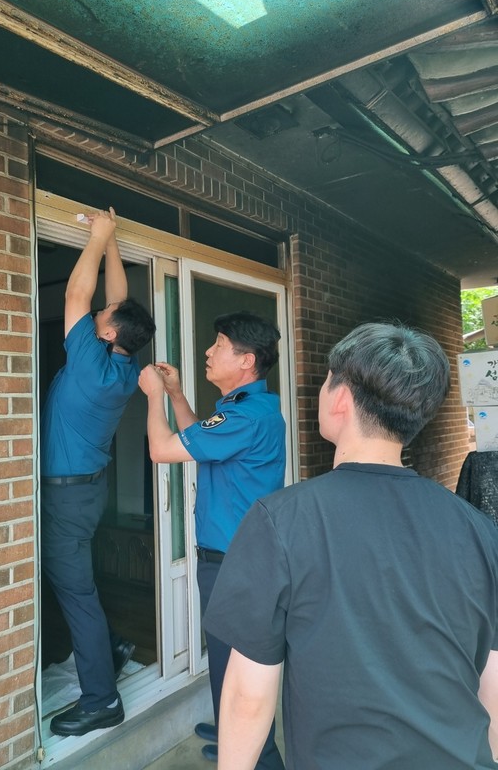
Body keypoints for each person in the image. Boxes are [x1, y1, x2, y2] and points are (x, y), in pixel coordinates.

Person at [204, 321, 498, 770]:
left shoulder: (280, 520)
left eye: (325, 379)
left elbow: (248, 695)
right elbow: (492, 686)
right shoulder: (479, 530)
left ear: (340, 398)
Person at [138, 311, 286, 767]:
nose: (208, 350)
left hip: (233, 563)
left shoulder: (244, 417)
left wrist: (153, 398)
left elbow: (164, 449)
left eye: (219, 344)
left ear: (246, 360)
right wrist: (178, 394)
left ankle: (256, 754)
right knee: (229, 659)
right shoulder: (243, 411)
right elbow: (197, 435)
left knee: (235, 663)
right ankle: (232, 731)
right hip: (236, 559)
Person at [40, 207, 156, 737]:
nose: (95, 317)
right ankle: (111, 646)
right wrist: (111, 243)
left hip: (68, 496)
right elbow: (113, 303)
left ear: (108, 334)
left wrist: (99, 236)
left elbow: (73, 297)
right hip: (88, 489)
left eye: (104, 318)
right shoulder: (122, 362)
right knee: (77, 583)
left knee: (74, 591)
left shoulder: (91, 359)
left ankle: (100, 700)